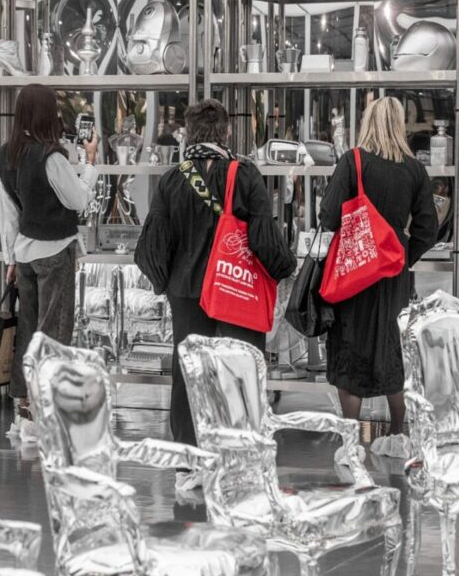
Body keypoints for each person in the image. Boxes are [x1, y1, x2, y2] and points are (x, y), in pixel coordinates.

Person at [136, 99, 296, 467]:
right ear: (227, 131)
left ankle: (189, 456)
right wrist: (286, 269)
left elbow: (151, 247)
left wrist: (168, 283)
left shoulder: (172, 179)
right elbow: (264, 240)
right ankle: (238, 455)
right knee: (239, 372)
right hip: (236, 291)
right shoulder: (246, 174)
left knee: (189, 373)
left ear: (188, 134)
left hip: (187, 293)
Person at [319, 96, 437, 458]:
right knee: (392, 348)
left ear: (366, 122)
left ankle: (351, 442)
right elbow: (428, 228)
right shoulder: (414, 170)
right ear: (400, 125)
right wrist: (402, 256)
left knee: (350, 348)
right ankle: (398, 434)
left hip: (353, 272)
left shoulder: (352, 162)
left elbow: (328, 216)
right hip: (393, 275)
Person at [0, 84, 99, 421]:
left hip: (25, 253)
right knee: (54, 331)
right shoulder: (51, 155)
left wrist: (10, 258)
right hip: (55, 251)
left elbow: (8, 212)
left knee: (28, 329)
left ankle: (27, 400)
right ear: (46, 113)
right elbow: (78, 200)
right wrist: (91, 162)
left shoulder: (5, 154)